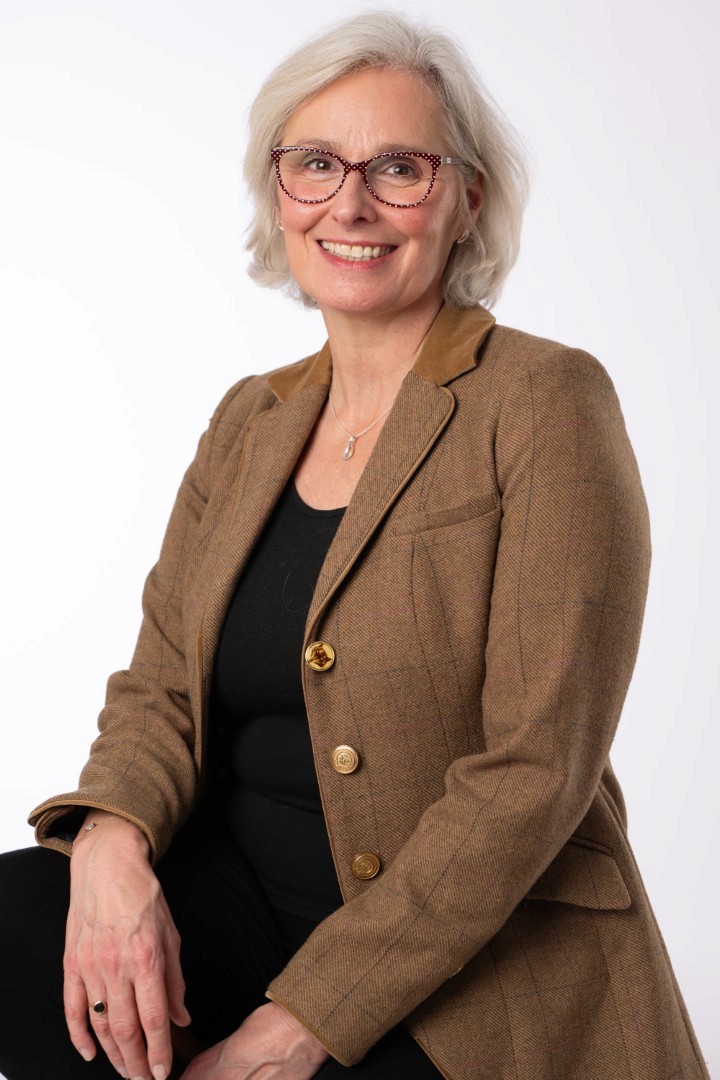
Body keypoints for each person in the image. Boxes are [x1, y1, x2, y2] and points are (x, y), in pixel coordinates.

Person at [0, 10, 710, 1080]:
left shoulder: (546, 402)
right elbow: (160, 693)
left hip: (469, 967)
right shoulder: (250, 420)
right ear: (276, 190)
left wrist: (300, 1027)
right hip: (242, 905)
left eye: (400, 168)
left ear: (468, 196)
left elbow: (532, 775)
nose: (352, 203)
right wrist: (106, 848)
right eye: (317, 164)